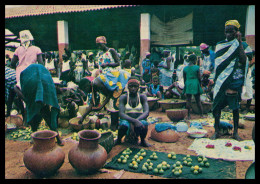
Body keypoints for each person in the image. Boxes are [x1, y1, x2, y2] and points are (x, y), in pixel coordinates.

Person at [210, 20, 251, 141]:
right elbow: (218, 65)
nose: (228, 34)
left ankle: (235, 133)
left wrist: (238, 42)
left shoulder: (243, 45)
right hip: (222, 82)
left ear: (237, 32)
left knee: (235, 109)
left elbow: (244, 61)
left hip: (235, 82)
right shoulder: (220, 45)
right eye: (226, 32)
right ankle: (217, 131)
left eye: (231, 32)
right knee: (217, 107)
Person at [17, 64, 64, 146]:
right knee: (39, 113)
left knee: (43, 112)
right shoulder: (27, 80)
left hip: (38, 88)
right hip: (31, 92)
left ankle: (39, 136)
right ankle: (38, 136)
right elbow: (16, 88)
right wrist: (26, 100)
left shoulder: (48, 83)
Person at [116, 77, 151, 147]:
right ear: (128, 87)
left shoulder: (142, 97)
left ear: (138, 87)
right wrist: (134, 121)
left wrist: (137, 121)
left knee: (144, 124)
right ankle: (119, 139)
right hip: (127, 121)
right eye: (131, 86)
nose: (133, 88)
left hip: (139, 121)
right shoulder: (123, 97)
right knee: (123, 125)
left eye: (135, 86)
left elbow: (146, 112)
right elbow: (121, 114)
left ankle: (142, 140)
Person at [183, 54, 204, 119]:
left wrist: (186, 85)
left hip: (188, 83)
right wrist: (200, 85)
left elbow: (184, 78)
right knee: (198, 100)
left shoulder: (185, 68)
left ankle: (188, 115)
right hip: (195, 83)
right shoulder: (197, 67)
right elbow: (199, 77)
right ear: (195, 60)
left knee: (188, 100)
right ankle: (201, 115)